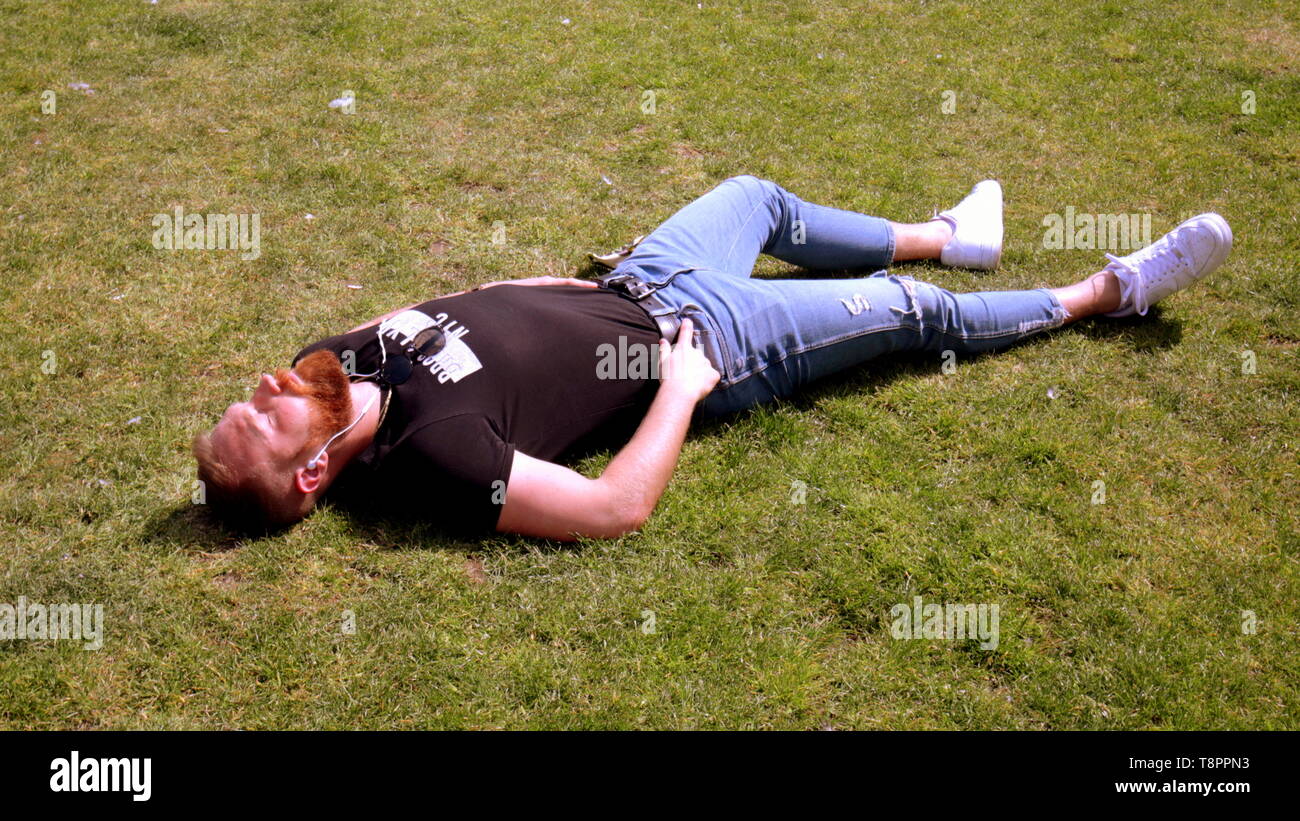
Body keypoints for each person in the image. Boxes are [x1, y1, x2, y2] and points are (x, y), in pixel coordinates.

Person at [192, 175, 1232, 540]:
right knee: (915, 316)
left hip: (638, 278)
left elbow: (455, 305)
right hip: (704, 342)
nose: (273, 386)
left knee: (755, 196)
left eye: (255, 393)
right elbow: (612, 511)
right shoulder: (434, 456)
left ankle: (952, 234)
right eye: (270, 418)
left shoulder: (327, 358)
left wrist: (574, 285)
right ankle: (1108, 292)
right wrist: (683, 392)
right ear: (313, 470)